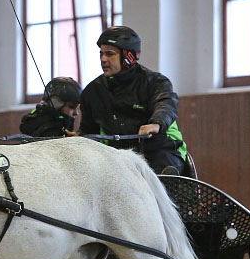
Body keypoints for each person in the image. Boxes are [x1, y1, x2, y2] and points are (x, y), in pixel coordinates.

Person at [79, 26, 187, 175]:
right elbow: (88, 132)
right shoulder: (92, 92)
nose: (103, 59)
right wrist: (78, 140)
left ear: (128, 56)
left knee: (167, 181)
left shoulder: (156, 82)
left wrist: (156, 123)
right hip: (117, 157)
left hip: (160, 150)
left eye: (110, 54)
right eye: (101, 54)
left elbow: (166, 103)